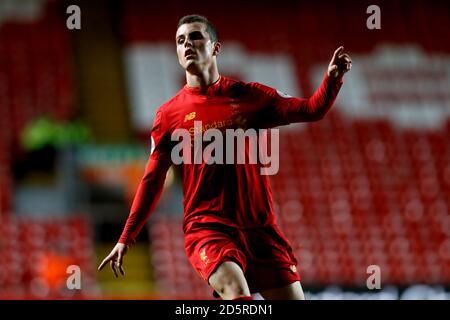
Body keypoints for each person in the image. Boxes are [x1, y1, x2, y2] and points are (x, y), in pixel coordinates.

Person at [98, 14, 351, 300]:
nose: (187, 44)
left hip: (260, 231)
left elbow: (310, 110)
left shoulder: (249, 96)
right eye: (180, 41)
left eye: (195, 37)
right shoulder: (168, 116)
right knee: (236, 293)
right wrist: (126, 237)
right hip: (207, 228)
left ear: (216, 48)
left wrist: (332, 80)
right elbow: (152, 180)